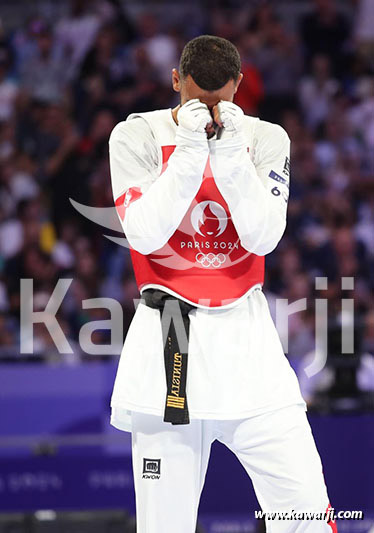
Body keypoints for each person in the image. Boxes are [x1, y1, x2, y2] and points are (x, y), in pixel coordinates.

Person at [108, 35, 337, 533]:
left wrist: (230, 154)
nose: (210, 114)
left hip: (249, 339)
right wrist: (190, 151)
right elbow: (145, 233)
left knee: (305, 515)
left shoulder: (265, 137)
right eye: (196, 100)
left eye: (221, 100)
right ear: (175, 82)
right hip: (170, 338)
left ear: (239, 85)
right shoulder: (137, 135)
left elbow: (264, 235)